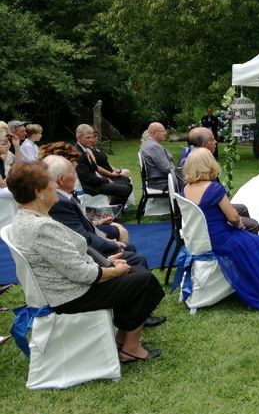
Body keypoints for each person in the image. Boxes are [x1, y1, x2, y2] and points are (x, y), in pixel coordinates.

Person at [5, 161, 165, 363]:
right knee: (143, 279)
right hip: (71, 295)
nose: (56, 186)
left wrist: (105, 262)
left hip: (66, 285)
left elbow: (67, 259)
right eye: (51, 183)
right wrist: (114, 270)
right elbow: (83, 275)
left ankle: (121, 341)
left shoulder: (26, 218)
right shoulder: (41, 227)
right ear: (39, 192)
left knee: (135, 270)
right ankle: (131, 347)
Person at [182, 148, 259, 311]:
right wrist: (238, 222)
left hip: (198, 239)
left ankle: (247, 278)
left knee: (252, 241)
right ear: (210, 164)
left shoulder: (185, 189)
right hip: (220, 240)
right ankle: (256, 286)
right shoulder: (214, 188)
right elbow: (233, 217)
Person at [175, 127, 259, 233]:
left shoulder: (189, 157)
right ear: (205, 144)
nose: (216, 142)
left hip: (200, 207)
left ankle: (242, 235)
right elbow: (207, 194)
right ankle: (240, 239)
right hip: (204, 213)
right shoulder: (199, 164)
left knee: (242, 208)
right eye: (213, 139)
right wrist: (235, 219)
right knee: (253, 225)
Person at [39, 143, 128, 243]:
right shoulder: (59, 200)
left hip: (85, 231)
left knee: (118, 227)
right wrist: (111, 245)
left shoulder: (60, 193)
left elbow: (76, 222)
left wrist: (98, 222)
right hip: (82, 241)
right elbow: (80, 236)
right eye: (72, 170)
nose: (75, 175)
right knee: (121, 231)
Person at [74, 124, 133, 207]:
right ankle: (113, 213)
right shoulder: (78, 153)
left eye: (92, 137)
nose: (91, 140)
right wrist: (106, 180)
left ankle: (113, 210)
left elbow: (94, 168)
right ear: (79, 137)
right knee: (126, 189)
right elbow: (87, 178)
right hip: (90, 187)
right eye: (87, 137)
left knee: (125, 181)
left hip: (96, 181)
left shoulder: (85, 149)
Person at [140, 122, 174, 191]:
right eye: (162, 131)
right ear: (154, 133)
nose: (165, 133)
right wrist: (181, 172)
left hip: (157, 181)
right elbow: (166, 169)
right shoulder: (154, 146)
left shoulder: (148, 144)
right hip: (162, 183)